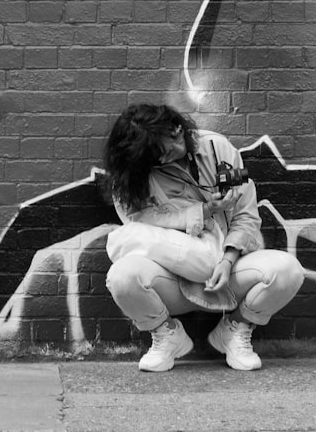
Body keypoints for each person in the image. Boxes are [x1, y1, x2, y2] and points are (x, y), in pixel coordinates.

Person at [100, 103, 305, 372]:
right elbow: (140, 226)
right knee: (122, 276)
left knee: (288, 271)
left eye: (163, 152)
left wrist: (228, 261)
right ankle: (166, 334)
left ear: (176, 130)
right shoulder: (135, 173)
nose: (162, 161)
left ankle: (235, 329)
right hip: (169, 277)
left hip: (226, 273)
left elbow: (246, 216)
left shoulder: (218, 149)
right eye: (155, 159)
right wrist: (201, 211)